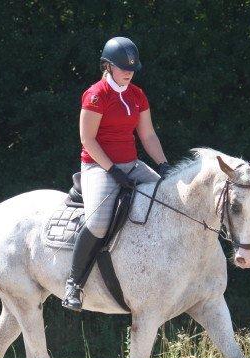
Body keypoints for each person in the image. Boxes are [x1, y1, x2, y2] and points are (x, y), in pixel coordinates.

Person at [62, 36, 171, 311]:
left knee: (168, 200)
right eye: (123, 67)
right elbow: (87, 139)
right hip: (98, 166)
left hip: (131, 164)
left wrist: (163, 165)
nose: (129, 72)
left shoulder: (137, 95)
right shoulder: (96, 94)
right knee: (98, 222)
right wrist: (112, 170)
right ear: (108, 66)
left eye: (132, 68)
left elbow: (147, 134)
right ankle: (74, 283)